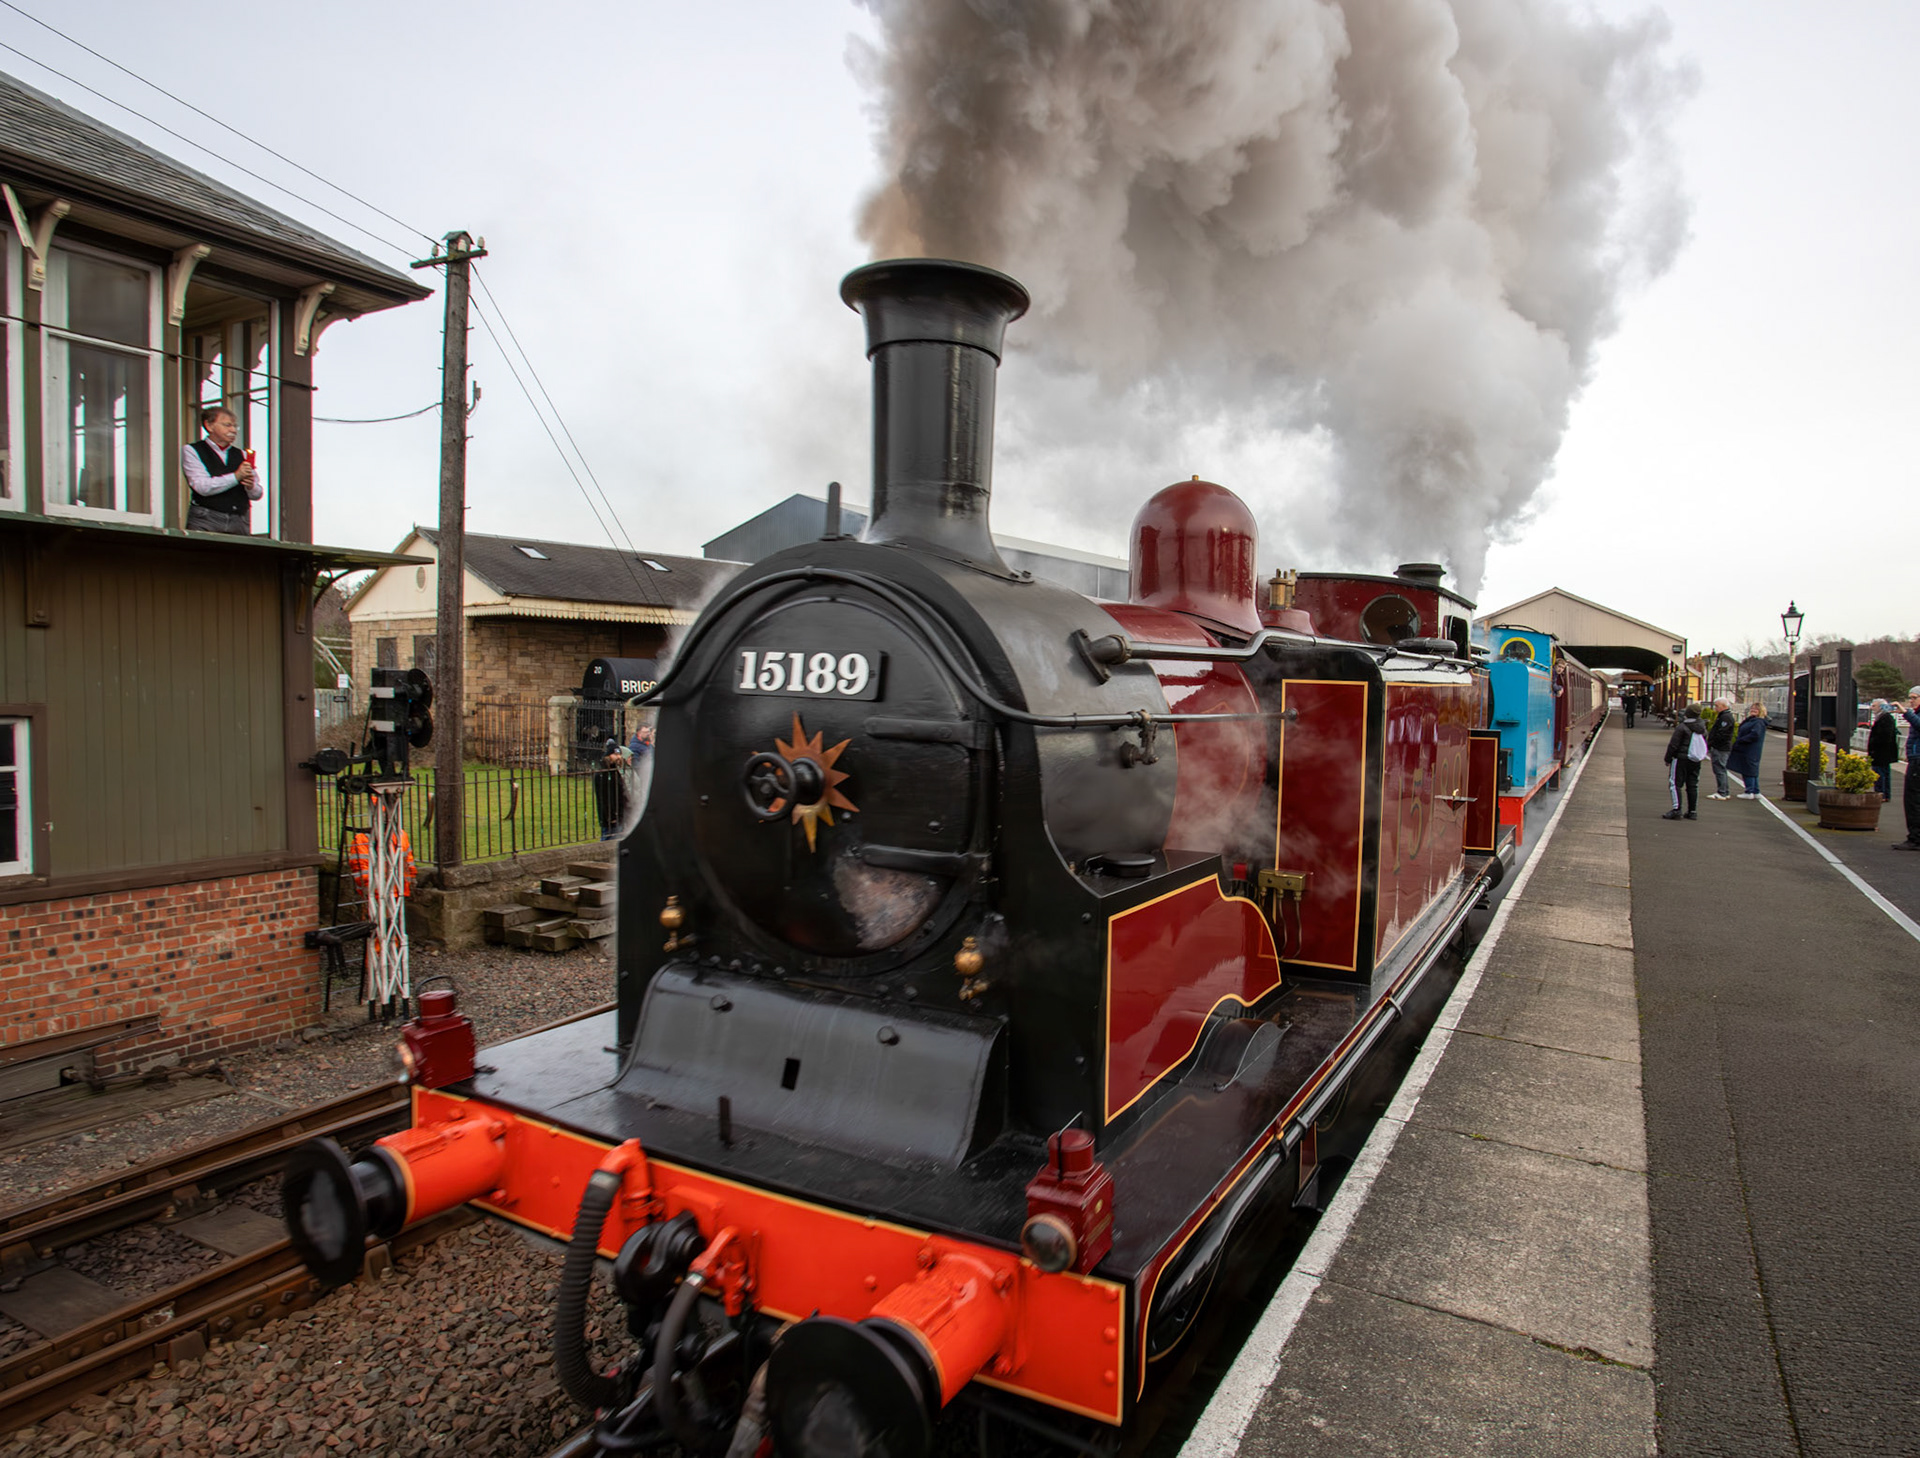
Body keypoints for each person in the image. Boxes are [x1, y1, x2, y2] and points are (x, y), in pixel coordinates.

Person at [182, 406, 261, 535]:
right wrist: (236, 476)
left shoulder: (242, 455)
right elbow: (202, 487)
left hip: (239, 520)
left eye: (235, 426)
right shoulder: (192, 450)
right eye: (227, 425)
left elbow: (257, 494)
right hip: (206, 518)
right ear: (209, 426)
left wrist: (251, 486)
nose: (233, 430)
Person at [1663, 703, 1708, 820]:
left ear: (1687, 714)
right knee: (1692, 784)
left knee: (1675, 783)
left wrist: (1668, 758)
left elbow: (1673, 745)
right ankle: (1692, 811)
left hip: (1681, 759)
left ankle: (1677, 810)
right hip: (1695, 759)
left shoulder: (1682, 727)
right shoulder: (1702, 728)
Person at [1895, 688, 1920, 852]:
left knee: (1913, 799)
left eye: (1914, 698)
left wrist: (1906, 713)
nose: (1911, 701)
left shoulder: (1914, 715)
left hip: (1918, 759)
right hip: (1915, 757)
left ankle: (1915, 838)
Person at [1728, 701, 1767, 799]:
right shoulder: (1753, 721)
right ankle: (1755, 790)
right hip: (1749, 749)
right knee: (1752, 769)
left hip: (1749, 749)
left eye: (1756, 709)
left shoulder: (1758, 722)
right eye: (1752, 708)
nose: (1753, 710)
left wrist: (1742, 740)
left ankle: (1749, 791)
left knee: (1748, 769)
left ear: (1761, 711)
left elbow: (1755, 735)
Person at [1866, 698, 1899, 801]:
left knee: (1880, 774)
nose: (1872, 708)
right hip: (1882, 752)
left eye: (1874, 706)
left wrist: (1874, 743)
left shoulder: (1885, 718)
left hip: (1881, 752)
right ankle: (1884, 794)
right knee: (1883, 773)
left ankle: (1881, 794)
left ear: (1881, 707)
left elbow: (1885, 735)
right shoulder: (1883, 718)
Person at [1705, 697, 1737, 799]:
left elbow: (1722, 733)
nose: (1715, 708)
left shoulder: (1725, 718)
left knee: (1719, 769)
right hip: (1721, 747)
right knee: (1720, 769)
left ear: (1724, 706)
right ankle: (1724, 791)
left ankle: (1722, 792)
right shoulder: (1724, 716)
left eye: (1717, 706)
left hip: (1721, 748)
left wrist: (1713, 743)